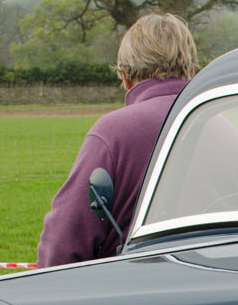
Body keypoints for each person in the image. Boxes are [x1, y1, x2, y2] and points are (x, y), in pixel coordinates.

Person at [37, 14, 200, 267]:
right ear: (190, 71)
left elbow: (64, 242)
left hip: (135, 292)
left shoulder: (113, 132)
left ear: (124, 76)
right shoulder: (222, 127)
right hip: (218, 290)